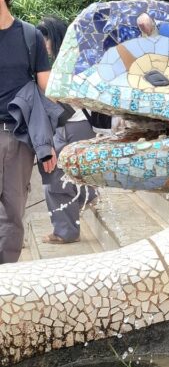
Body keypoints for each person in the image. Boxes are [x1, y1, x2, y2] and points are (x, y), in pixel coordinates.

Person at [0, 0, 57, 265]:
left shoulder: (29, 36)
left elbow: (46, 89)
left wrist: (48, 143)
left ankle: (6, 276)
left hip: (17, 136)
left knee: (13, 211)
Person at [38, 16, 97, 245]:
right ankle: (86, 201)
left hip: (71, 126)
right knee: (69, 175)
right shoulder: (76, 61)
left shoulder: (64, 66)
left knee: (55, 179)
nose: (43, 44)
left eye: (46, 39)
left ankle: (66, 231)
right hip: (79, 126)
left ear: (55, 38)